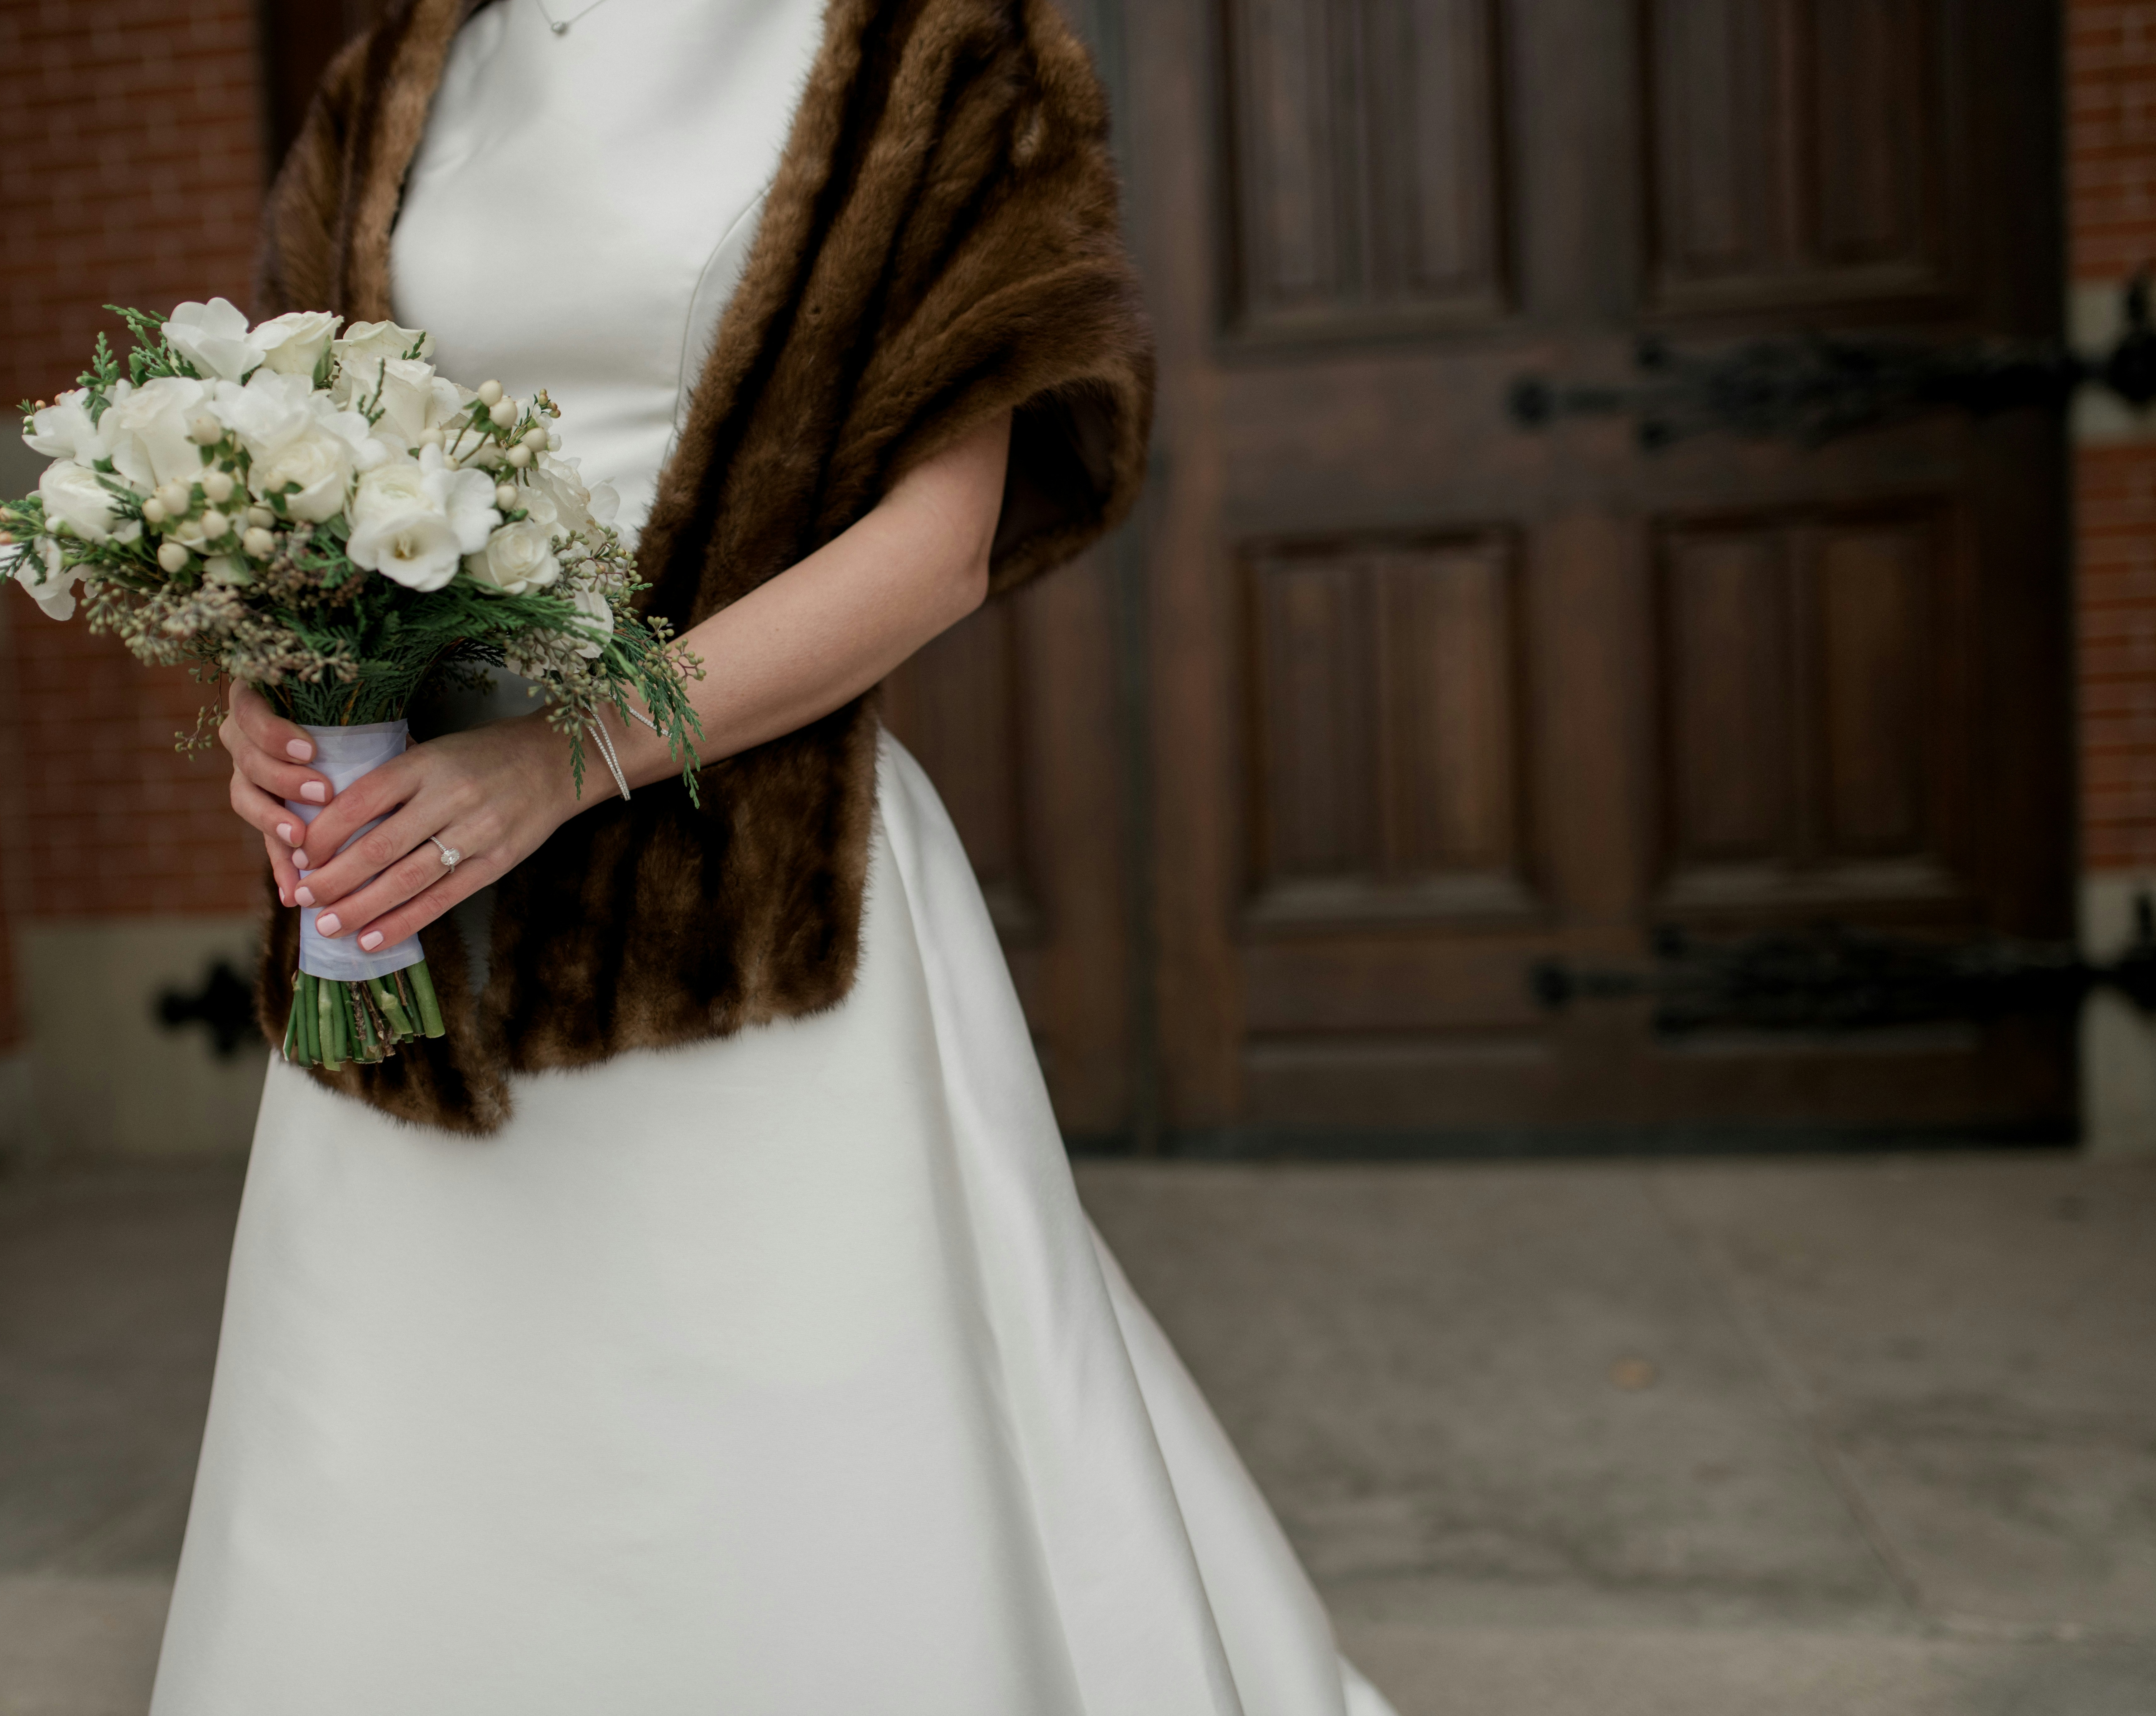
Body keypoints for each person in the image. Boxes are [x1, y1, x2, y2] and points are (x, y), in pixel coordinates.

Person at [150, 1, 1396, 1710]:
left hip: (740, 888)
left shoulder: (935, 51)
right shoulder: (395, 76)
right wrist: (272, 696)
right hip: (413, 903)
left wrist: (562, 759)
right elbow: (293, 469)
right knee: (392, 1454)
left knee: (803, 1473)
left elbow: (937, 548)